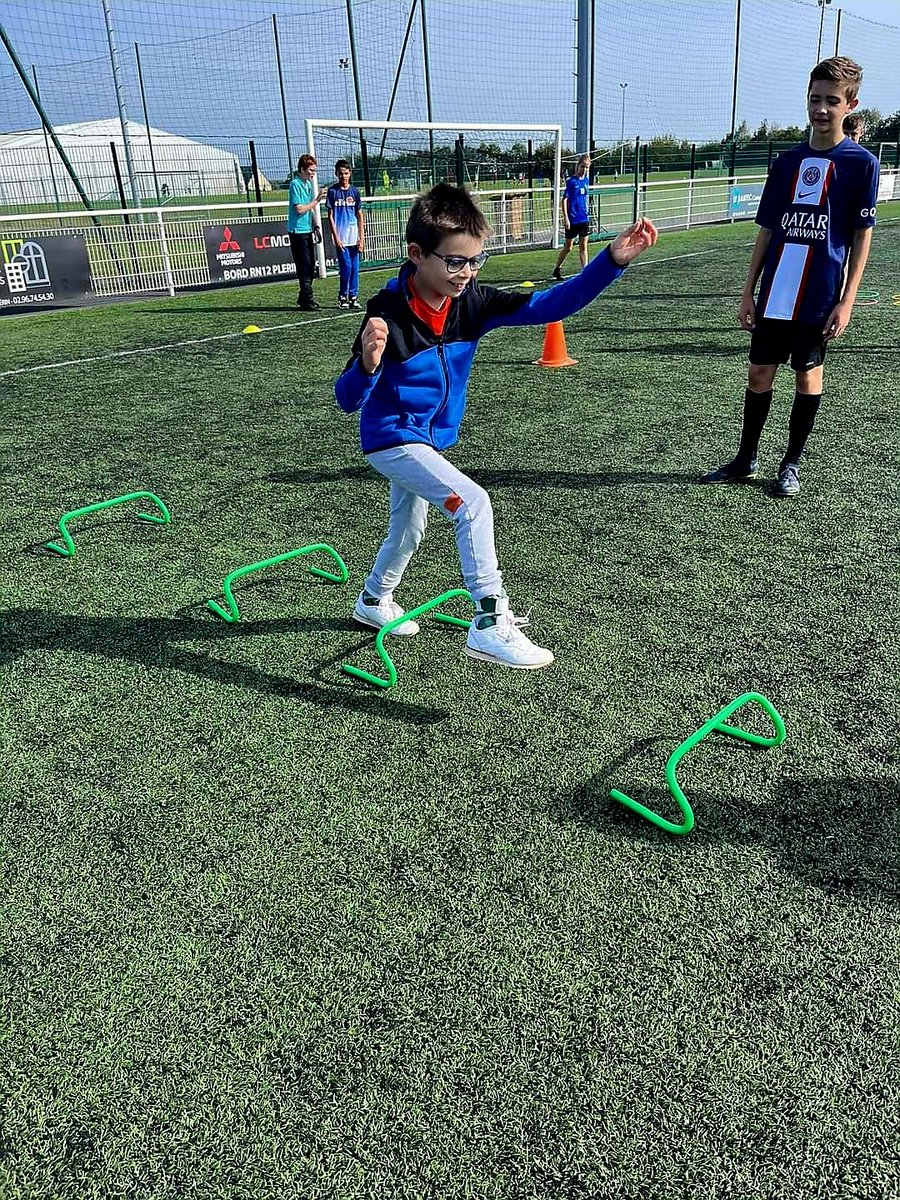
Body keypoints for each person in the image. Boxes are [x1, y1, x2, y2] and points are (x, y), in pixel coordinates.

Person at [335, 183, 657, 669]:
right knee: (472, 503)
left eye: (476, 261)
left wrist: (612, 261)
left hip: (429, 441)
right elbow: (347, 399)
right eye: (456, 262)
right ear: (417, 254)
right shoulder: (388, 314)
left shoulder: (472, 302)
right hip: (392, 439)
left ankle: (373, 601)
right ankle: (488, 620)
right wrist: (367, 363)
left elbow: (552, 305)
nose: (466, 273)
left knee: (408, 526)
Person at [702, 56, 878, 498]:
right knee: (759, 374)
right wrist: (748, 291)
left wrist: (847, 300)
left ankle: (791, 463)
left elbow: (861, 237)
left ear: (851, 104)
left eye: (831, 101)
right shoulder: (786, 163)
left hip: (819, 296)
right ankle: (745, 458)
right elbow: (767, 230)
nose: (821, 109)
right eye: (814, 99)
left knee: (807, 377)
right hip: (775, 292)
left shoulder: (861, 164)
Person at [288, 154, 327, 311]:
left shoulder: (308, 185)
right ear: (302, 169)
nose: (313, 173)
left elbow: (309, 210)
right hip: (297, 231)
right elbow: (299, 209)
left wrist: (315, 224)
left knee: (311, 265)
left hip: (307, 229)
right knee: (304, 266)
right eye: (311, 170)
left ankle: (304, 297)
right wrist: (317, 200)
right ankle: (307, 298)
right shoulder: (295, 184)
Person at [327, 159, 365, 310]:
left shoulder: (355, 191)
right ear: (336, 174)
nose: (344, 176)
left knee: (355, 268)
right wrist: (335, 237)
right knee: (346, 267)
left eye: (346, 173)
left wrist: (361, 238)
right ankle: (343, 296)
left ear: (350, 173)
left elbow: (360, 215)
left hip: (354, 237)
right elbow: (330, 215)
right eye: (341, 173)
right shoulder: (333, 192)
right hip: (341, 237)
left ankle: (353, 297)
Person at [552, 154, 592, 281]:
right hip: (573, 219)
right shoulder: (572, 182)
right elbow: (565, 200)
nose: (584, 170)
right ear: (577, 166)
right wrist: (566, 217)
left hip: (583, 219)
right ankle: (557, 269)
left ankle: (585, 272)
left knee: (583, 246)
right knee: (568, 247)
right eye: (582, 166)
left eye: (586, 167)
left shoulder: (586, 181)